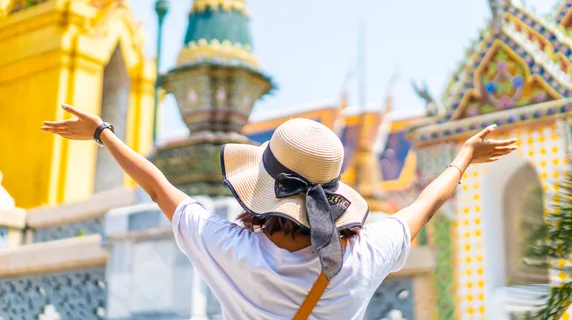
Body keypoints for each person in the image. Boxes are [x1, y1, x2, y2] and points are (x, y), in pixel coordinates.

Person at [41, 104, 517, 320]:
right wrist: (464, 158)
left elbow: (157, 185)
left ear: (263, 189)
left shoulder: (227, 247)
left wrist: (103, 133)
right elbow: (425, 206)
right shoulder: (363, 255)